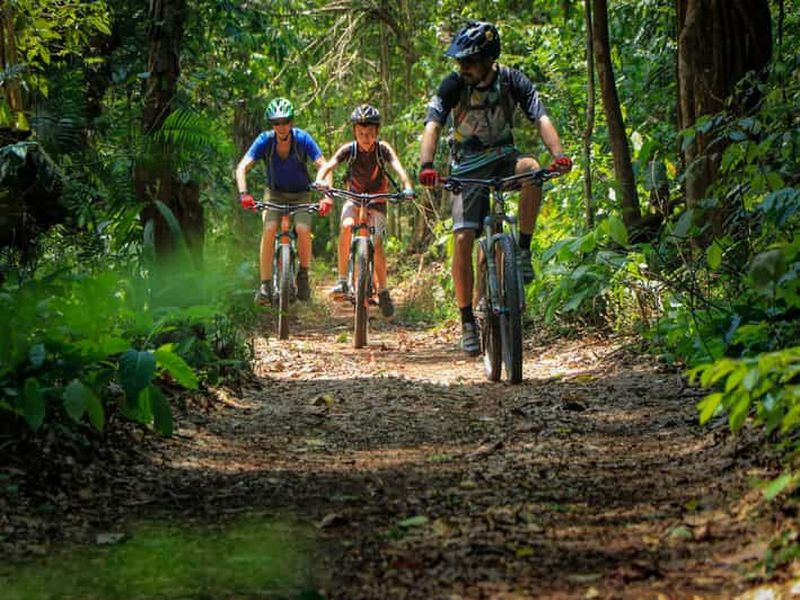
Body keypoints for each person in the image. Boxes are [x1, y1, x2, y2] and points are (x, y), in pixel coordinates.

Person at [418, 20, 572, 355]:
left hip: (505, 159)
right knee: (463, 237)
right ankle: (467, 321)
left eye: (469, 61)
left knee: (532, 170)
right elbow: (432, 124)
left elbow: (540, 117)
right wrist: (427, 165)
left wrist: (558, 155)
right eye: (460, 62)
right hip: (467, 167)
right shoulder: (453, 85)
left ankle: (523, 251)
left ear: (489, 60)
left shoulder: (513, 81)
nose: (463, 68)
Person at [314, 104, 415, 318]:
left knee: (377, 243)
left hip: (378, 200)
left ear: (377, 133)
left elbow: (397, 166)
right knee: (346, 227)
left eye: (369, 133)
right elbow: (329, 164)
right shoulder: (349, 149)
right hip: (354, 197)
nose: (365, 138)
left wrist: (407, 186)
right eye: (361, 133)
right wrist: (319, 179)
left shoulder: (382, 149)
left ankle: (384, 290)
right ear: (354, 133)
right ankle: (342, 280)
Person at [235, 97, 330, 304]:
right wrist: (244, 194)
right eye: (276, 122)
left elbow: (324, 165)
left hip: (301, 195)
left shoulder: (302, 139)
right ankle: (265, 284)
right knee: (269, 228)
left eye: (285, 121)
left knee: (303, 229)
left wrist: (326, 195)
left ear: (292, 122)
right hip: (274, 194)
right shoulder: (265, 141)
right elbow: (242, 167)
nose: (281, 126)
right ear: (272, 124)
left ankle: (303, 275)